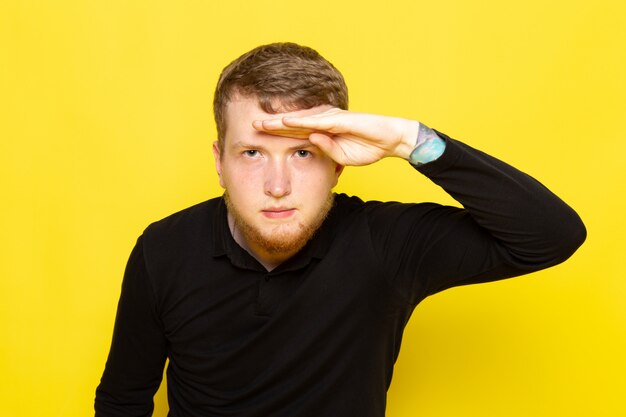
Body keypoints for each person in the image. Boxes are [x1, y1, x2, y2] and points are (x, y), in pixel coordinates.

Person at [95, 42, 586, 417]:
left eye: (303, 153)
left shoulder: (384, 244)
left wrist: (409, 140)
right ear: (219, 162)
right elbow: (123, 400)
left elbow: (552, 234)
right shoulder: (163, 249)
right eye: (252, 153)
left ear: (338, 163)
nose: (278, 185)